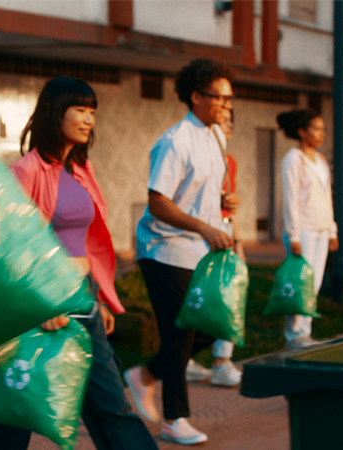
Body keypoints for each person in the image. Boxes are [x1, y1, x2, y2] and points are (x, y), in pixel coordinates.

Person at [0, 77, 158, 450]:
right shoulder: (26, 170)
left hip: (83, 298)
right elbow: (11, 245)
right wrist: (41, 302)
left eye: (93, 112)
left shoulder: (81, 170)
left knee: (111, 404)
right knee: (17, 408)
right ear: (55, 112)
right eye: (81, 110)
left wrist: (102, 299)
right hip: (42, 300)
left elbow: (90, 242)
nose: (89, 119)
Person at [125, 58, 237, 446]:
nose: (225, 105)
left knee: (207, 328)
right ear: (195, 96)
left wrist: (224, 202)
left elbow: (201, 189)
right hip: (163, 250)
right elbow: (158, 202)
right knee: (180, 334)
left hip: (197, 252)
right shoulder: (175, 141)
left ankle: (146, 376)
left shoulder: (215, 136)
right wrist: (204, 226)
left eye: (228, 98)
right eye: (218, 97)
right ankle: (175, 419)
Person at [185, 108, 243, 387]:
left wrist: (239, 240)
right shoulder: (195, 154)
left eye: (231, 122)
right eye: (222, 122)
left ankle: (222, 360)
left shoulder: (229, 161)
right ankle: (185, 358)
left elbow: (230, 206)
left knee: (227, 296)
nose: (228, 127)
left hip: (224, 234)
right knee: (201, 299)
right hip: (201, 236)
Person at [277, 108, 337, 347]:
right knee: (300, 282)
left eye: (323, 129)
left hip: (321, 228)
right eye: (317, 129)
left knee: (315, 284)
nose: (322, 134)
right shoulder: (293, 159)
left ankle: (305, 331)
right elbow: (290, 198)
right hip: (303, 231)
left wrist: (332, 230)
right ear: (302, 132)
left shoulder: (320, 160)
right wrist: (294, 235)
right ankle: (294, 335)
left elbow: (326, 196)